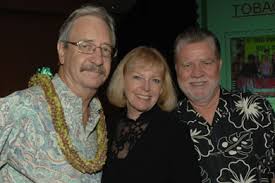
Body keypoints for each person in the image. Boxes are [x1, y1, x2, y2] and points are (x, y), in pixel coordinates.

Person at [0, 4, 116, 182]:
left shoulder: (99, 123)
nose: (98, 59)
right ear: (62, 51)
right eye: (86, 46)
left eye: (106, 49)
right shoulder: (21, 108)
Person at [173, 27, 275, 183]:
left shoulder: (257, 108)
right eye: (187, 65)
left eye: (206, 62)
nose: (197, 73)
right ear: (176, 69)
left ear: (219, 65)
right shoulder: (167, 123)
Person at [102, 46, 201, 183]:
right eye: (138, 77)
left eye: (155, 80)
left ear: (162, 88)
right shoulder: (105, 127)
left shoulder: (175, 131)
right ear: (123, 80)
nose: (146, 87)